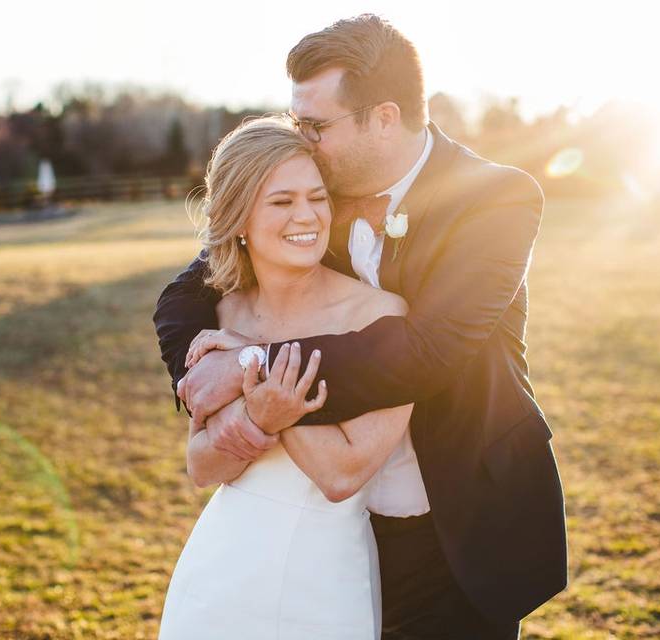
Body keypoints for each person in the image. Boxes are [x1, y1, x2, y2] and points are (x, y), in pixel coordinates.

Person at [155, 14, 568, 640]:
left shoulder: (496, 200)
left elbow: (431, 350)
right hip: (334, 531)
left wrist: (254, 365)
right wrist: (202, 369)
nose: (305, 141)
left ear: (383, 117)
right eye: (299, 123)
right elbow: (187, 292)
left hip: (454, 511)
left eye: (316, 126)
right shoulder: (320, 188)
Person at [157, 115, 415, 640]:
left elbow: (342, 474)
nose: (307, 216)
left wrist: (254, 365)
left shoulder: (379, 317)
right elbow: (203, 465)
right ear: (239, 219)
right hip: (220, 573)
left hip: (323, 580)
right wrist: (258, 411)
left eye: (317, 198)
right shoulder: (224, 316)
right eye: (281, 202)